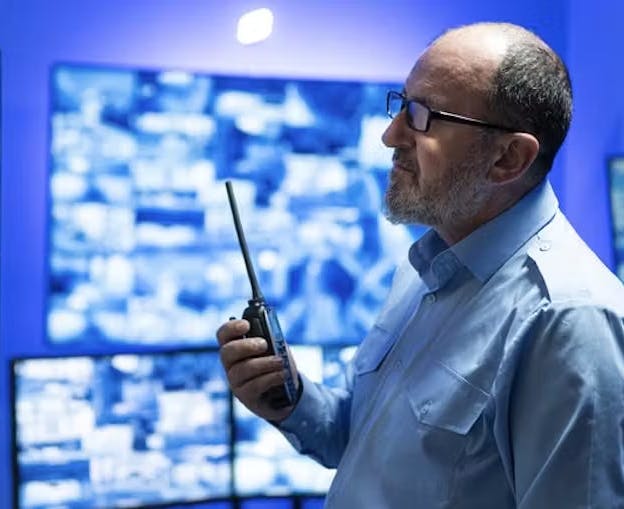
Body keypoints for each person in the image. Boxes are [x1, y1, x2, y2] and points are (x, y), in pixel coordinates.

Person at [216, 22, 624, 508]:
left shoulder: (569, 322)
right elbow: (357, 438)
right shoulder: (424, 267)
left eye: (422, 116)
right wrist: (289, 398)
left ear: (508, 158)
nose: (391, 135)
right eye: (401, 103)